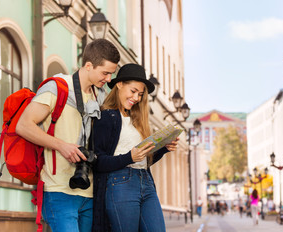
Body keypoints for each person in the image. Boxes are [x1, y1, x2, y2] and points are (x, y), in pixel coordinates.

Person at [16, 39, 120, 232]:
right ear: (89, 65)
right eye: (105, 73)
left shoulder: (101, 96)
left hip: (90, 192)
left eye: (111, 74)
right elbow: (23, 126)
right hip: (58, 191)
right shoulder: (58, 87)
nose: (108, 78)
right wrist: (62, 145)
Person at [92, 63, 179, 232]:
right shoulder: (106, 116)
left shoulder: (136, 120)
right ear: (119, 84)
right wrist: (129, 157)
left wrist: (163, 148)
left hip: (145, 180)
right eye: (133, 91)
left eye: (140, 94)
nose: (137, 98)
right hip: (120, 183)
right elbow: (98, 161)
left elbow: (143, 160)